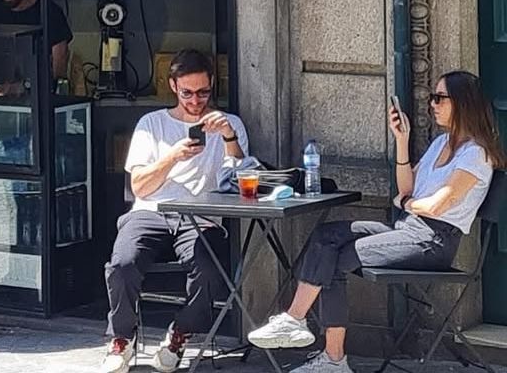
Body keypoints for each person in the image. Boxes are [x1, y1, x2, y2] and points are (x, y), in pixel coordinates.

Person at [249, 70, 506, 373]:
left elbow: (437, 205)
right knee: (326, 236)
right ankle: (300, 325)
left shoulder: (476, 155)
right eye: (431, 98)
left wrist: (408, 203)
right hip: (409, 229)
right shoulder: (440, 144)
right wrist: (402, 141)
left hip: (433, 242)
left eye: (439, 98)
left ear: (462, 103)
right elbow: (407, 190)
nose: (432, 104)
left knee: (336, 259)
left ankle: (326, 353)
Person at [102, 49, 249, 373]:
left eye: (203, 92)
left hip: (201, 217)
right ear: (172, 86)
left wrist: (228, 136)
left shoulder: (229, 125)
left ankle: (180, 332)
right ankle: (121, 339)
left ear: (213, 87)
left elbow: (241, 178)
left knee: (211, 271)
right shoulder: (151, 124)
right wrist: (172, 158)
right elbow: (139, 186)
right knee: (122, 264)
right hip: (151, 211)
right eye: (188, 93)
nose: (196, 101)